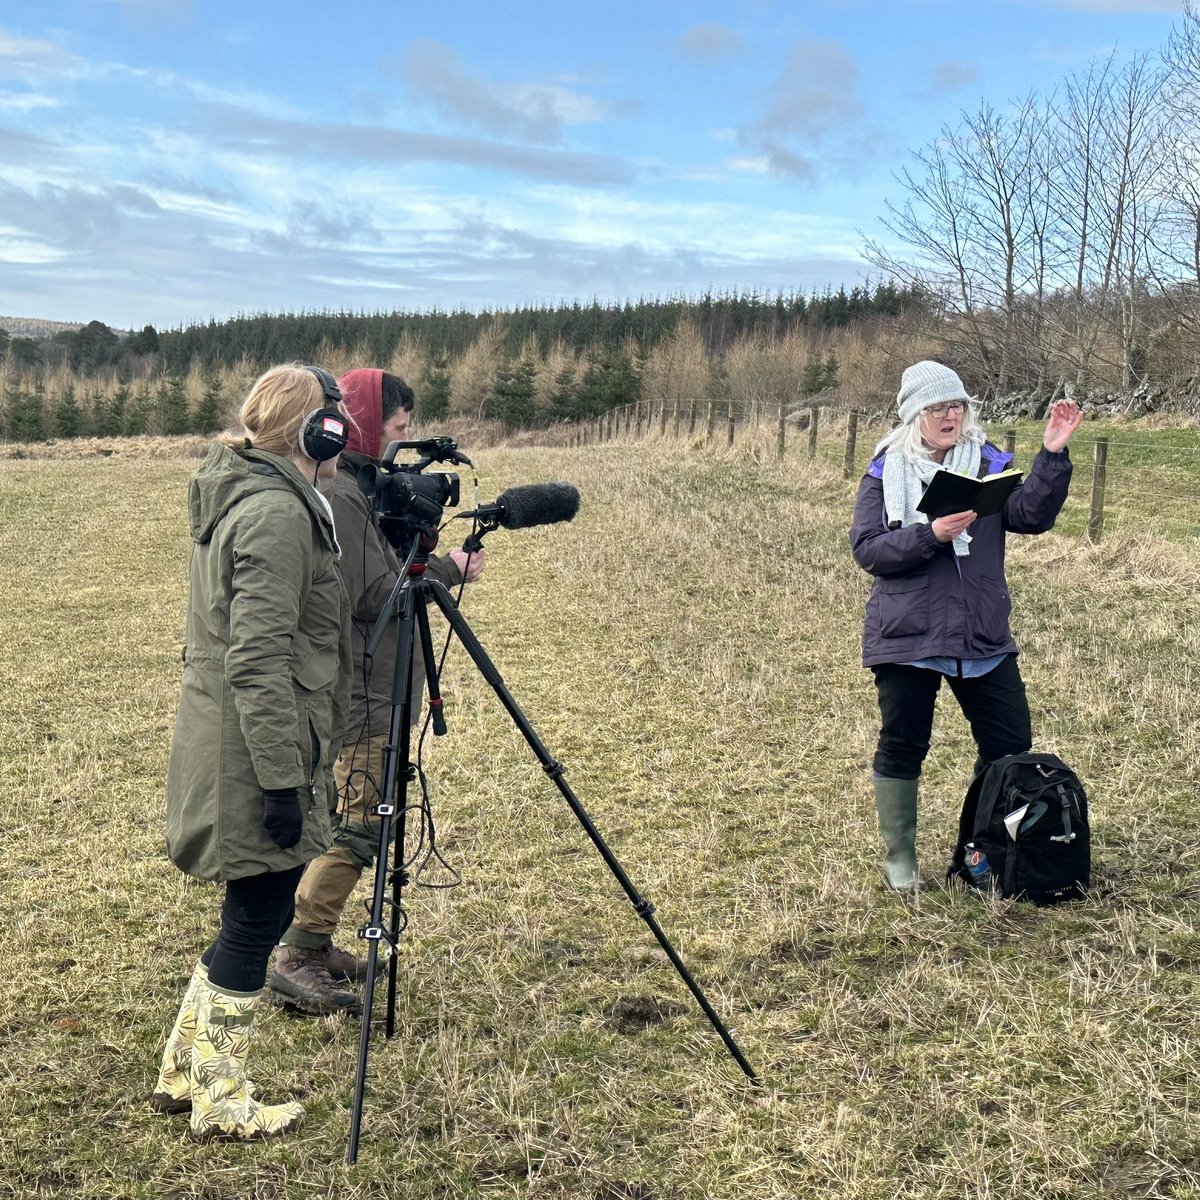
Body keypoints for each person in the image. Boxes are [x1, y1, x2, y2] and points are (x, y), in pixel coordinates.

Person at [150, 364, 353, 1139]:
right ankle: (221, 1097)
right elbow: (258, 656)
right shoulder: (274, 512)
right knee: (259, 914)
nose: (345, 436)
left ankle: (184, 1071)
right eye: (335, 423)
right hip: (254, 744)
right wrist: (279, 781)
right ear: (314, 431)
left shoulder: (258, 496)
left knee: (248, 912)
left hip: (244, 733)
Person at [269, 368, 485, 1014]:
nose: (406, 438)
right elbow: (371, 596)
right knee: (360, 824)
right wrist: (449, 570)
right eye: (398, 426)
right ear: (363, 423)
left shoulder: (361, 493)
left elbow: (381, 571)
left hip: (383, 683)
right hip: (364, 691)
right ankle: (300, 953)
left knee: (366, 817)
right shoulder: (342, 498)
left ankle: (314, 940)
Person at [849, 360, 1082, 892]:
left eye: (957, 405)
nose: (950, 415)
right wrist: (930, 534)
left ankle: (976, 850)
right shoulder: (886, 472)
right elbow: (868, 550)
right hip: (907, 634)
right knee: (904, 743)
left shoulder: (988, 463)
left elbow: (1030, 516)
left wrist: (1051, 454)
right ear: (915, 415)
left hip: (982, 633)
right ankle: (900, 864)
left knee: (1010, 745)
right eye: (937, 408)